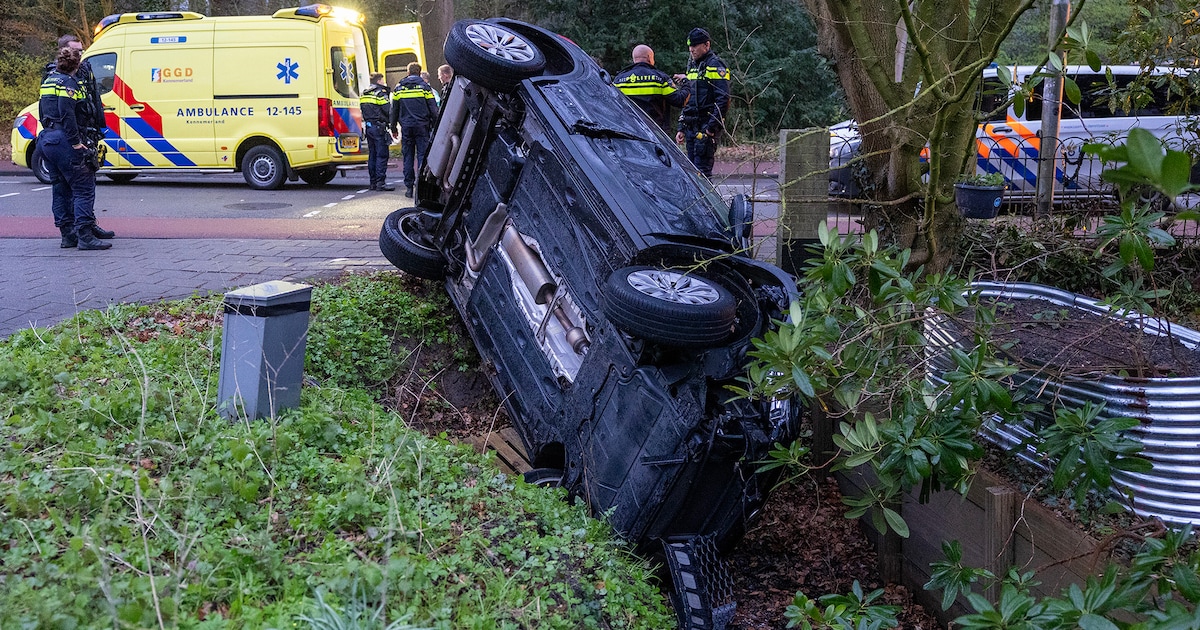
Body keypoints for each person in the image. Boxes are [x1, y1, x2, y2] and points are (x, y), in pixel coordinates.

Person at [43, 34, 115, 242]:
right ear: (65, 52)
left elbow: (93, 98)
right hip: (70, 136)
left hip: (54, 136)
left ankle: (73, 233)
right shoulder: (67, 79)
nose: (81, 55)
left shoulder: (56, 77)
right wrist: (76, 141)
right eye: (77, 51)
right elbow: (67, 112)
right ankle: (81, 233)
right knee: (82, 186)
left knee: (64, 186)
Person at [675, 27, 730, 178]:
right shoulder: (693, 66)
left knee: (702, 176)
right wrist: (681, 127)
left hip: (705, 127)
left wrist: (711, 128)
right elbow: (689, 99)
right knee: (692, 175)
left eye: (694, 46)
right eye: (689, 46)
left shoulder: (716, 65)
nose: (691, 50)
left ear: (706, 45)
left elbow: (723, 99)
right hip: (691, 126)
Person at [390, 62, 440, 198]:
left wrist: (393, 127)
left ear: (408, 72)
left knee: (408, 157)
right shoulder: (425, 87)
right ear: (419, 73)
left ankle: (408, 188)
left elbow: (394, 110)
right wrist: (436, 126)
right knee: (423, 157)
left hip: (406, 127)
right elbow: (433, 109)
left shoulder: (399, 88)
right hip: (422, 127)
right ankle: (421, 187)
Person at [613, 44, 688, 133]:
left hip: (628, 133)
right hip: (655, 134)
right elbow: (680, 100)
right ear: (649, 58)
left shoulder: (618, 80)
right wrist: (686, 82)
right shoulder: (660, 78)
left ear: (634, 59)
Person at [360, 72, 394, 191]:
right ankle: (381, 183)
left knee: (372, 155)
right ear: (379, 81)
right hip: (379, 128)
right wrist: (392, 124)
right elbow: (388, 110)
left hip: (369, 128)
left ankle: (373, 183)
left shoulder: (364, 93)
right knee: (382, 155)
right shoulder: (380, 94)